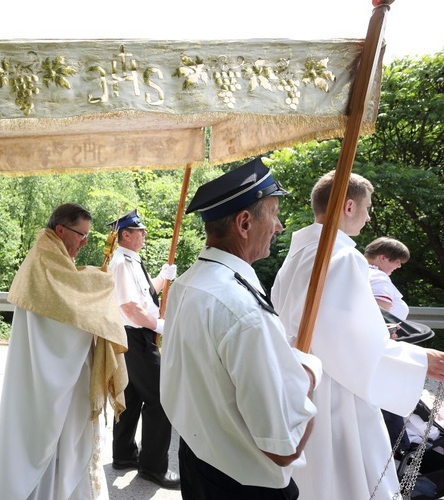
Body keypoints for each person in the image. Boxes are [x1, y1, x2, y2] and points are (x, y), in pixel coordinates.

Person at [272, 170, 444, 500]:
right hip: (335, 391)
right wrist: (420, 358)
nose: (368, 217)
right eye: (367, 208)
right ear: (348, 206)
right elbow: (352, 344)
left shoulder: (295, 257)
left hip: (298, 381)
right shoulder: (342, 257)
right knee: (345, 480)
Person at [161, 158, 321, 500]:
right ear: (245, 222)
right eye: (274, 213)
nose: (279, 227)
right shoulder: (242, 308)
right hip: (244, 485)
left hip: (198, 460)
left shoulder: (189, 283)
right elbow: (283, 447)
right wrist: (308, 376)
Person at [0, 203, 129, 500]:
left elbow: (70, 299)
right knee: (45, 439)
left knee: (60, 439)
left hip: (52, 372)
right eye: (81, 234)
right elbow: (62, 323)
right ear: (61, 230)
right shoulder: (46, 260)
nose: (85, 241)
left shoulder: (51, 258)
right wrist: (99, 288)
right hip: (48, 371)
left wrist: (93, 292)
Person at [107, 208, 179, 489]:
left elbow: (144, 295)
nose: (145, 234)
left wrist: (163, 277)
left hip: (134, 334)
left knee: (133, 395)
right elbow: (129, 307)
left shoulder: (131, 261)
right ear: (126, 234)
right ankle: (152, 466)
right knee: (161, 399)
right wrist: (158, 325)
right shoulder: (123, 263)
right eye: (140, 230)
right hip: (135, 335)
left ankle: (124, 455)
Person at [365, 236, 411, 320]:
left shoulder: (358, 271)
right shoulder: (378, 277)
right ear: (383, 258)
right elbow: (380, 317)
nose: (399, 266)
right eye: (397, 261)